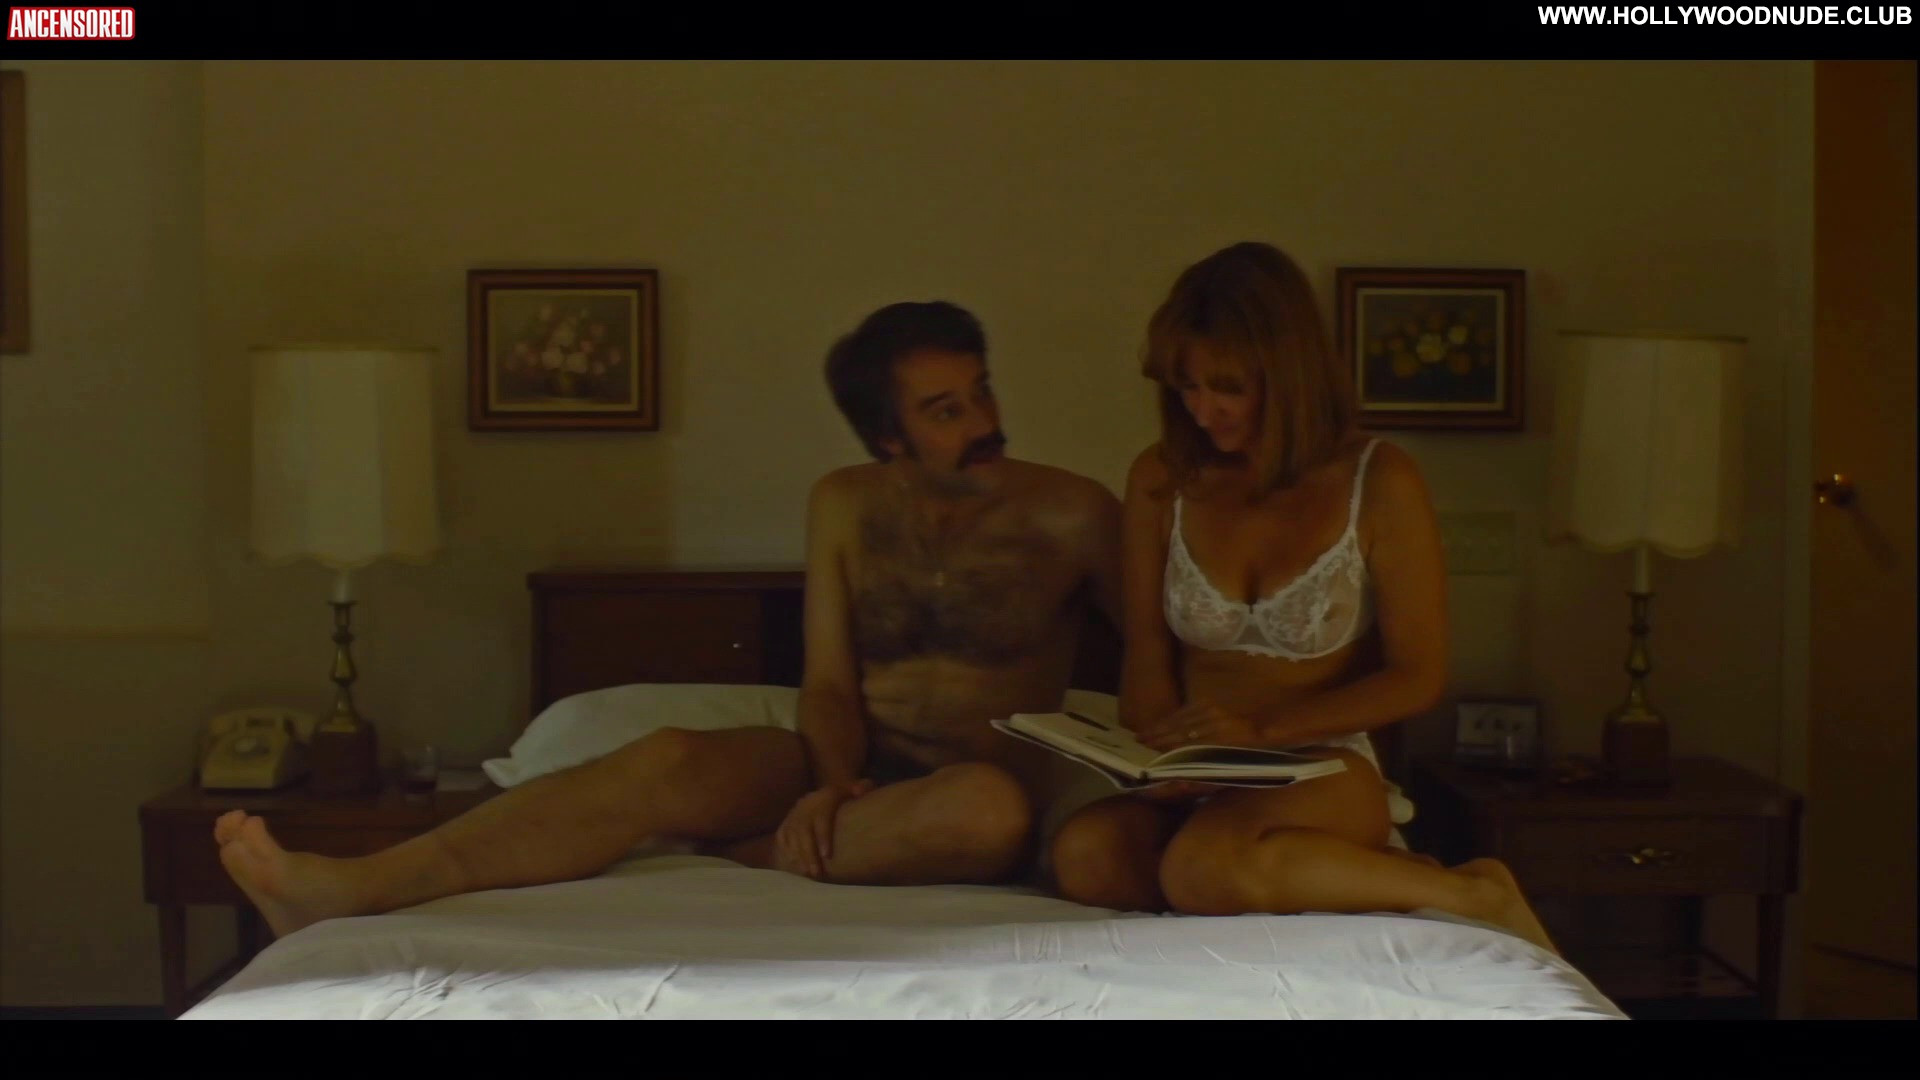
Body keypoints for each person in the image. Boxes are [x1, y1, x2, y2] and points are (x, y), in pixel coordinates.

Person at [215, 300, 1121, 938]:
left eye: (982, 392)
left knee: (987, 807)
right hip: (845, 770)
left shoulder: (1073, 514)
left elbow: (1154, 649)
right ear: (889, 437)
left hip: (976, 793)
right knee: (666, 757)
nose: (985, 421)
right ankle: (356, 888)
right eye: (947, 410)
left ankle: (751, 853)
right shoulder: (844, 503)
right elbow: (829, 682)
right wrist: (833, 786)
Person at [1045, 242, 1557, 954]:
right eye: (1186, 388)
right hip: (1199, 767)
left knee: (1198, 869)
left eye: (1226, 387)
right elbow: (1147, 655)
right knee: (1086, 855)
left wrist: (1259, 732)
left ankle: (1473, 890)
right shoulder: (1161, 478)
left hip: (1320, 764)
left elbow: (1417, 675)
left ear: (1286, 373)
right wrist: (1159, 756)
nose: (1203, 411)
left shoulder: (1381, 480)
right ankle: (1278, 877)